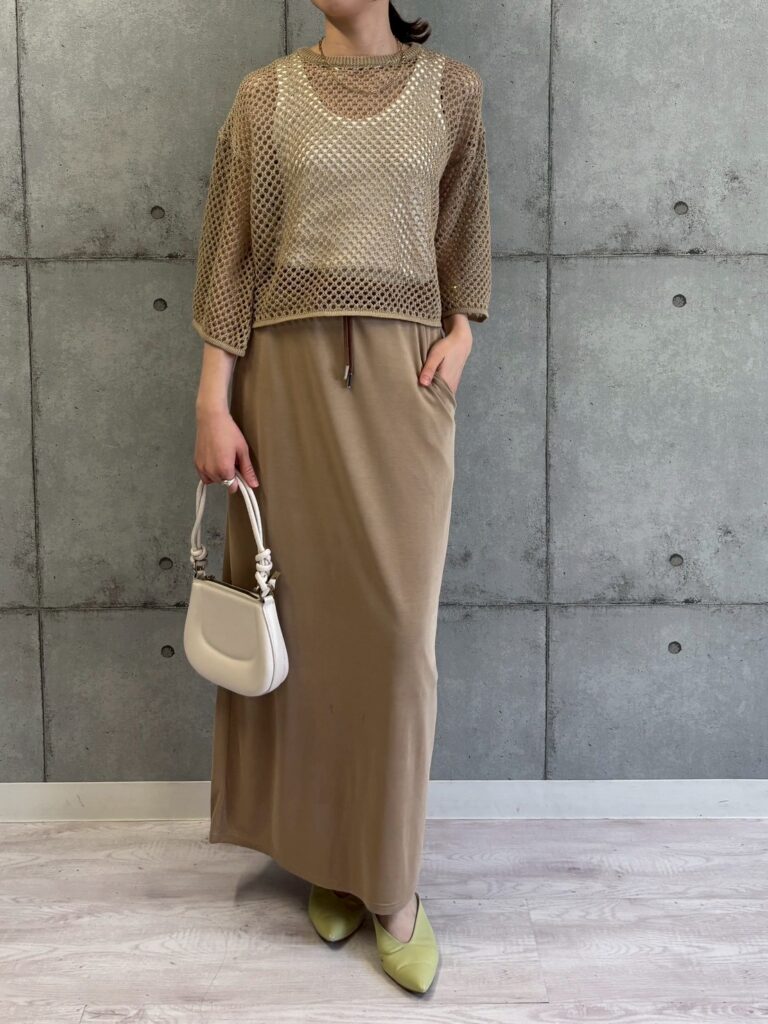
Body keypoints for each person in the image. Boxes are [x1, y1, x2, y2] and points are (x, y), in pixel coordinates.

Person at [191, 0, 491, 995]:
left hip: (404, 383)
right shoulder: (265, 98)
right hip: (285, 384)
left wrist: (462, 331)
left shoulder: (452, 91)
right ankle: (333, 860)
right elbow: (232, 258)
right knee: (310, 635)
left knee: (398, 640)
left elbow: (464, 224)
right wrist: (213, 403)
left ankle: (392, 886)